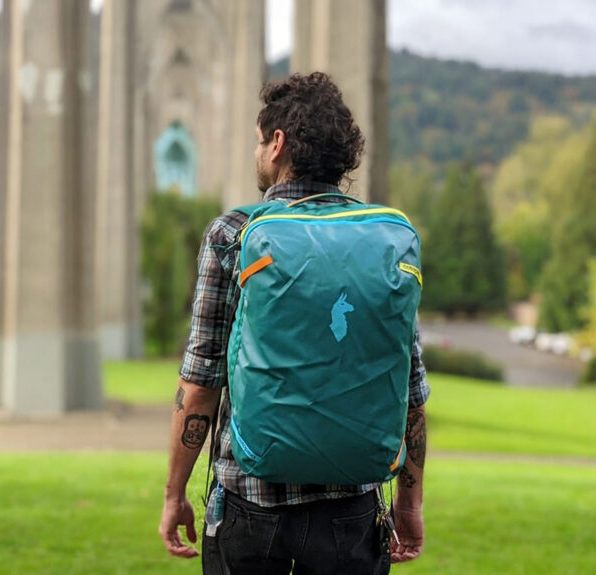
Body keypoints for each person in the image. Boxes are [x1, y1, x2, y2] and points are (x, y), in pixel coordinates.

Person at [158, 72, 429, 574]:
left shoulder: (234, 234)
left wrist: (175, 493)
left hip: (249, 506)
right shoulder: (385, 240)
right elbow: (410, 392)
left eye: (260, 141)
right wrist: (409, 506)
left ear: (278, 144)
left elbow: (200, 382)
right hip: (352, 513)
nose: (257, 152)